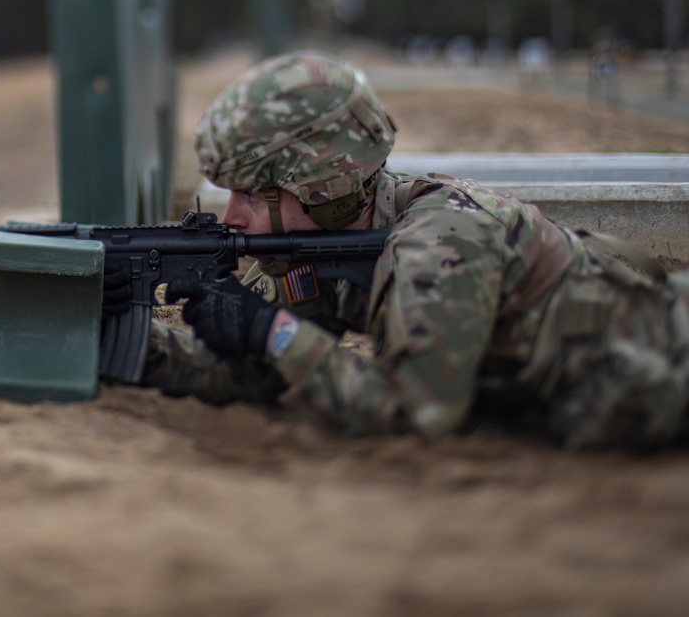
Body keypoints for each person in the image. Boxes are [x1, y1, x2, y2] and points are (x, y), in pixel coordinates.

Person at [122, 49, 689, 450]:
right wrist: (122, 341)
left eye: (252, 193)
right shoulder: (323, 244)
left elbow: (417, 414)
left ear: (323, 184)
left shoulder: (439, 241)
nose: (233, 217)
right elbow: (251, 379)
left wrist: (274, 333)